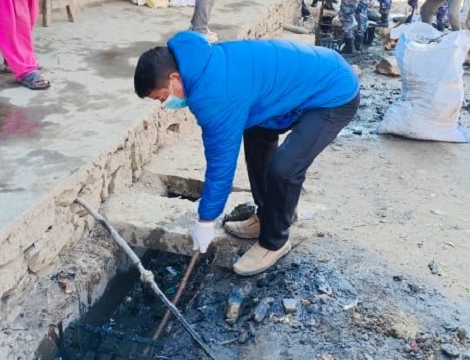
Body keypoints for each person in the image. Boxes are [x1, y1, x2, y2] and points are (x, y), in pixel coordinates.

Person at [134, 32, 360, 275]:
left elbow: (221, 163)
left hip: (333, 94)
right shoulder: (199, 61)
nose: (164, 104)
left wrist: (206, 220)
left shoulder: (214, 95)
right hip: (307, 80)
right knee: (256, 133)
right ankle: (268, 215)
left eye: (162, 97)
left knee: (284, 168)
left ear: (174, 78)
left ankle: (274, 242)